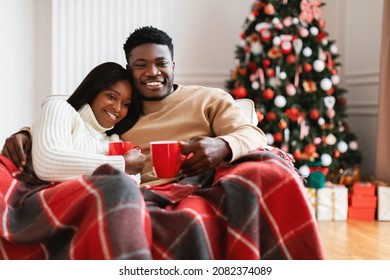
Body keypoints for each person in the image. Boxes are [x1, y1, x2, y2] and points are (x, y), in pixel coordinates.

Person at [1, 26, 325, 260]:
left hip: (201, 182)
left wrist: (221, 146)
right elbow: (78, 120)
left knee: (268, 170)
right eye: (140, 65)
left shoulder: (207, 99)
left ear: (173, 65)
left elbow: (251, 133)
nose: (151, 72)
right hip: (142, 191)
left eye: (160, 63)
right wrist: (27, 134)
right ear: (130, 70)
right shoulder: (124, 113)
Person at [29, 62, 145, 183]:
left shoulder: (115, 142)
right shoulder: (59, 108)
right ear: (93, 91)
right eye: (111, 96)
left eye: (126, 104)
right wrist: (121, 165)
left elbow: (132, 184)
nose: (118, 108)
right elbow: (48, 164)